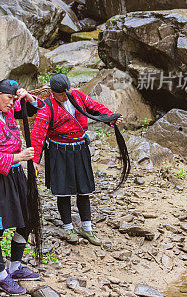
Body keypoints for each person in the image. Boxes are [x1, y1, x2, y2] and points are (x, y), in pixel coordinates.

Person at [31, 73, 123, 245]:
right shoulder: (46, 107)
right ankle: (68, 229)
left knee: (84, 189)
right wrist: (35, 160)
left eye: (67, 92)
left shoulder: (78, 96)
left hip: (80, 148)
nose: (66, 96)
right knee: (63, 191)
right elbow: (38, 134)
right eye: (61, 94)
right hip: (59, 151)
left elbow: (96, 108)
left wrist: (112, 118)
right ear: (53, 92)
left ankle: (86, 227)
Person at [0, 79, 44, 295]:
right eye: (9, 99)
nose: (12, 104)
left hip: (15, 175)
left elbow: (36, 109)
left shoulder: (9, 109)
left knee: (26, 220)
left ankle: (15, 266)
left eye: (14, 99)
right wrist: (19, 157)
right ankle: (0, 276)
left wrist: (27, 96)